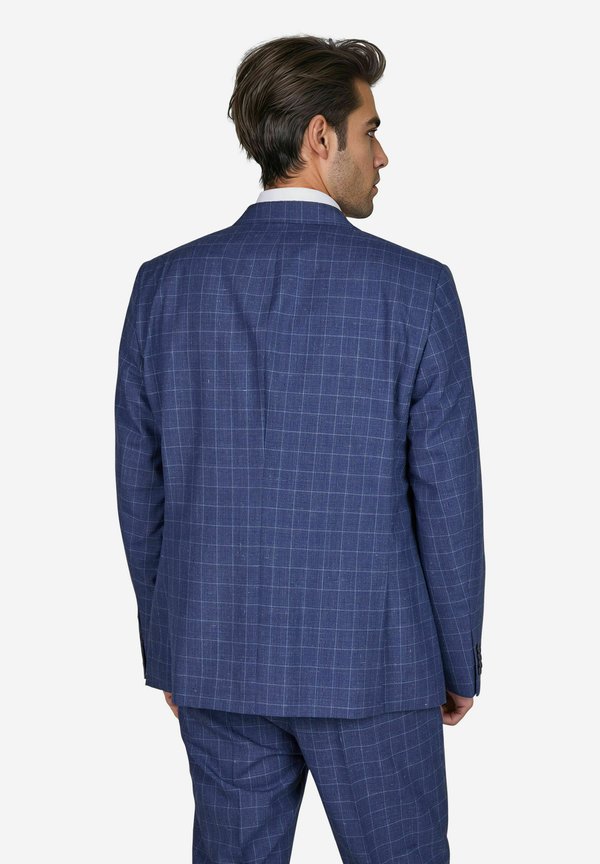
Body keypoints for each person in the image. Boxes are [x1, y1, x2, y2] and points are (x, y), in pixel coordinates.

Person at [115, 34, 486, 864]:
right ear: (321, 137)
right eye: (371, 129)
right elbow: (448, 498)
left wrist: (172, 645)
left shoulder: (164, 286)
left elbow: (141, 487)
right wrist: (457, 660)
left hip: (215, 656)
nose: (382, 155)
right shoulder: (416, 290)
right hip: (376, 665)